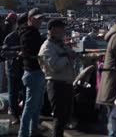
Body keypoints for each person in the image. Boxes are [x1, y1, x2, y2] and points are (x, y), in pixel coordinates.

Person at [37, 19, 76, 137]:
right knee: (59, 118)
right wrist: (67, 57)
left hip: (66, 83)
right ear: (53, 30)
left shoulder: (59, 44)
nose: (64, 31)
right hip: (56, 85)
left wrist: (73, 54)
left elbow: (67, 55)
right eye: (61, 28)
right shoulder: (47, 47)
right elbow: (54, 67)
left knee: (65, 117)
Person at [18, 8, 46, 137]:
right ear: (30, 19)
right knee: (30, 106)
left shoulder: (33, 32)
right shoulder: (29, 34)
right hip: (33, 72)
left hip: (36, 72)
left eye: (41, 19)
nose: (40, 21)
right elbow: (30, 53)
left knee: (37, 105)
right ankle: (23, 133)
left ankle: (32, 130)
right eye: (37, 19)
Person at [2, 13, 27, 125]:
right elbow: (4, 52)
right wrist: (17, 53)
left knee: (26, 93)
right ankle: (15, 116)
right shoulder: (11, 36)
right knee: (13, 93)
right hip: (13, 69)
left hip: (26, 69)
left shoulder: (30, 36)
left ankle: (25, 115)